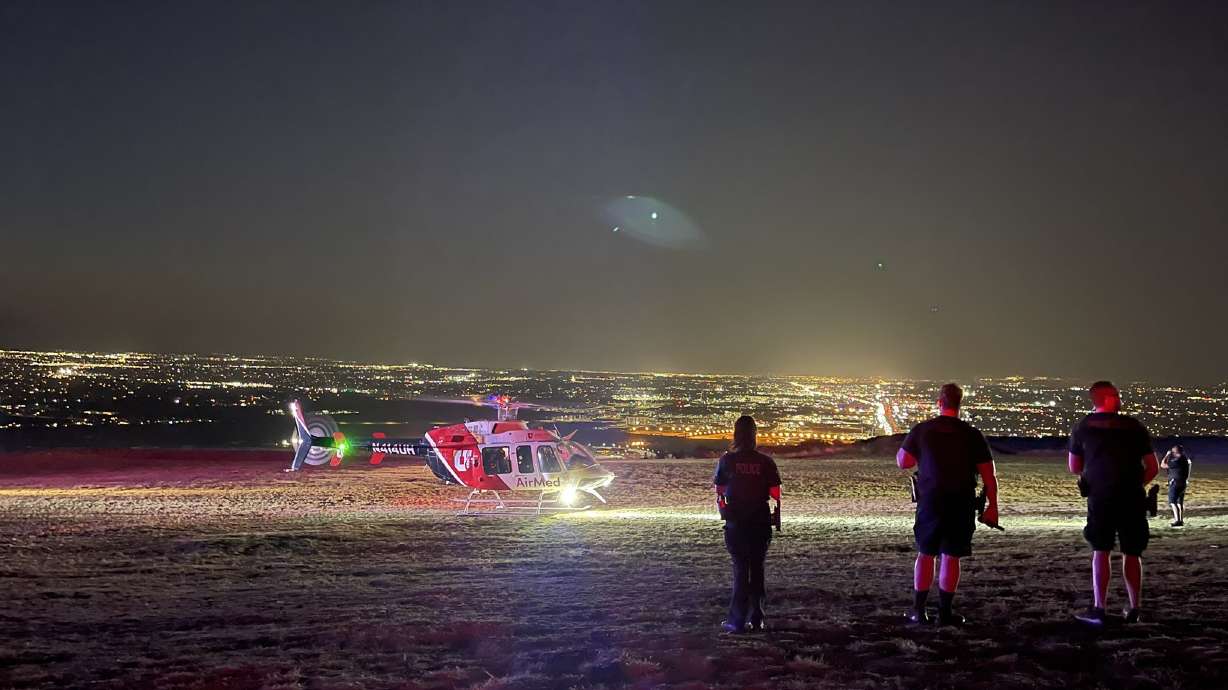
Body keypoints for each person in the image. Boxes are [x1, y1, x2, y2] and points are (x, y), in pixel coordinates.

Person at [896, 383, 999, 626]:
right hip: (961, 502)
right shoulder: (972, 434)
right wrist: (992, 506)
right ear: (959, 404)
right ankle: (945, 613)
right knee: (951, 556)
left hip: (930, 501)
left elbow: (903, 462)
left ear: (939, 403)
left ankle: (919, 611)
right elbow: (988, 475)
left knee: (926, 553)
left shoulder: (922, 430)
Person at [1068, 381, 1159, 626]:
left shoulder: (1083, 427)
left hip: (1100, 498)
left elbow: (1074, 466)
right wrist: (1136, 484)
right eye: (1117, 395)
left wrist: (1093, 476)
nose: (1120, 398)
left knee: (1101, 550)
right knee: (1132, 552)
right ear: (1107, 398)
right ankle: (1134, 607)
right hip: (1132, 499)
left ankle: (1099, 608)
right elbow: (1152, 467)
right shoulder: (1133, 426)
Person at [713, 415, 781, 633]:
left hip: (736, 523)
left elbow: (720, 490)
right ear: (754, 435)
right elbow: (775, 493)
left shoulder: (727, 461)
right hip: (760, 522)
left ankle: (737, 620)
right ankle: (757, 617)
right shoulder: (765, 462)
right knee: (757, 569)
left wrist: (726, 505)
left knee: (740, 570)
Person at [1160, 444, 1192, 527]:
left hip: (1175, 483)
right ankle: (1180, 520)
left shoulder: (1177, 460)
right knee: (1179, 502)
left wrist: (1167, 455)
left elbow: (1163, 465)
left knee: (1173, 502)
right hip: (1183, 483)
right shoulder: (1185, 459)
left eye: (1173, 452)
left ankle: (1177, 520)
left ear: (1175, 452)